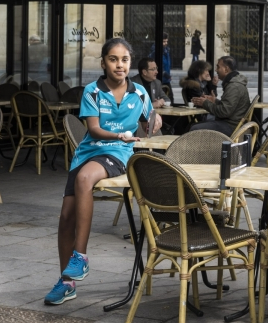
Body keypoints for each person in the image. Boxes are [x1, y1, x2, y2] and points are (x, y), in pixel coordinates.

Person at [44, 37, 162, 305]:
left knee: (86, 178)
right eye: (113, 59)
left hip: (118, 153)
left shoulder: (140, 93)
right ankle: (67, 283)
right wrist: (121, 134)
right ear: (103, 63)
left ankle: (81, 257)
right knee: (65, 219)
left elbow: (147, 126)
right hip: (89, 151)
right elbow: (94, 130)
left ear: (130, 63)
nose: (119, 65)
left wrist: (154, 121)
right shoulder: (92, 91)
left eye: (124, 60)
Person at [190, 56, 250, 136]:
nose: (216, 70)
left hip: (231, 127)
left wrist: (205, 103)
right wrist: (214, 101)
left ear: (226, 69)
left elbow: (224, 112)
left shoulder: (234, 86)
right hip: (231, 124)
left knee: (195, 129)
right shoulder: (233, 84)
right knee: (194, 126)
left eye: (218, 67)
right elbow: (228, 107)